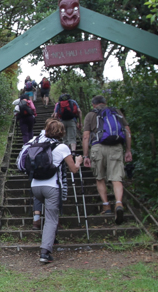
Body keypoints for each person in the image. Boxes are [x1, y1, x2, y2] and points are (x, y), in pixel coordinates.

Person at [18, 119, 83, 263]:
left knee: (49, 215)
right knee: (51, 219)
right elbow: (73, 169)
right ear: (61, 132)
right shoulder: (62, 147)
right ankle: (45, 252)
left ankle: (52, 238)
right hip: (51, 187)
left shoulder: (36, 144)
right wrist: (78, 161)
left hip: (35, 187)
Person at [82, 95, 132, 224]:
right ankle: (119, 203)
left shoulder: (90, 115)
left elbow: (86, 137)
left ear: (94, 104)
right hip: (116, 147)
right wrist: (128, 150)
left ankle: (106, 206)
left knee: (100, 178)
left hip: (98, 147)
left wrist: (85, 156)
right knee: (116, 178)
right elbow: (127, 131)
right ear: (105, 103)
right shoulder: (116, 112)